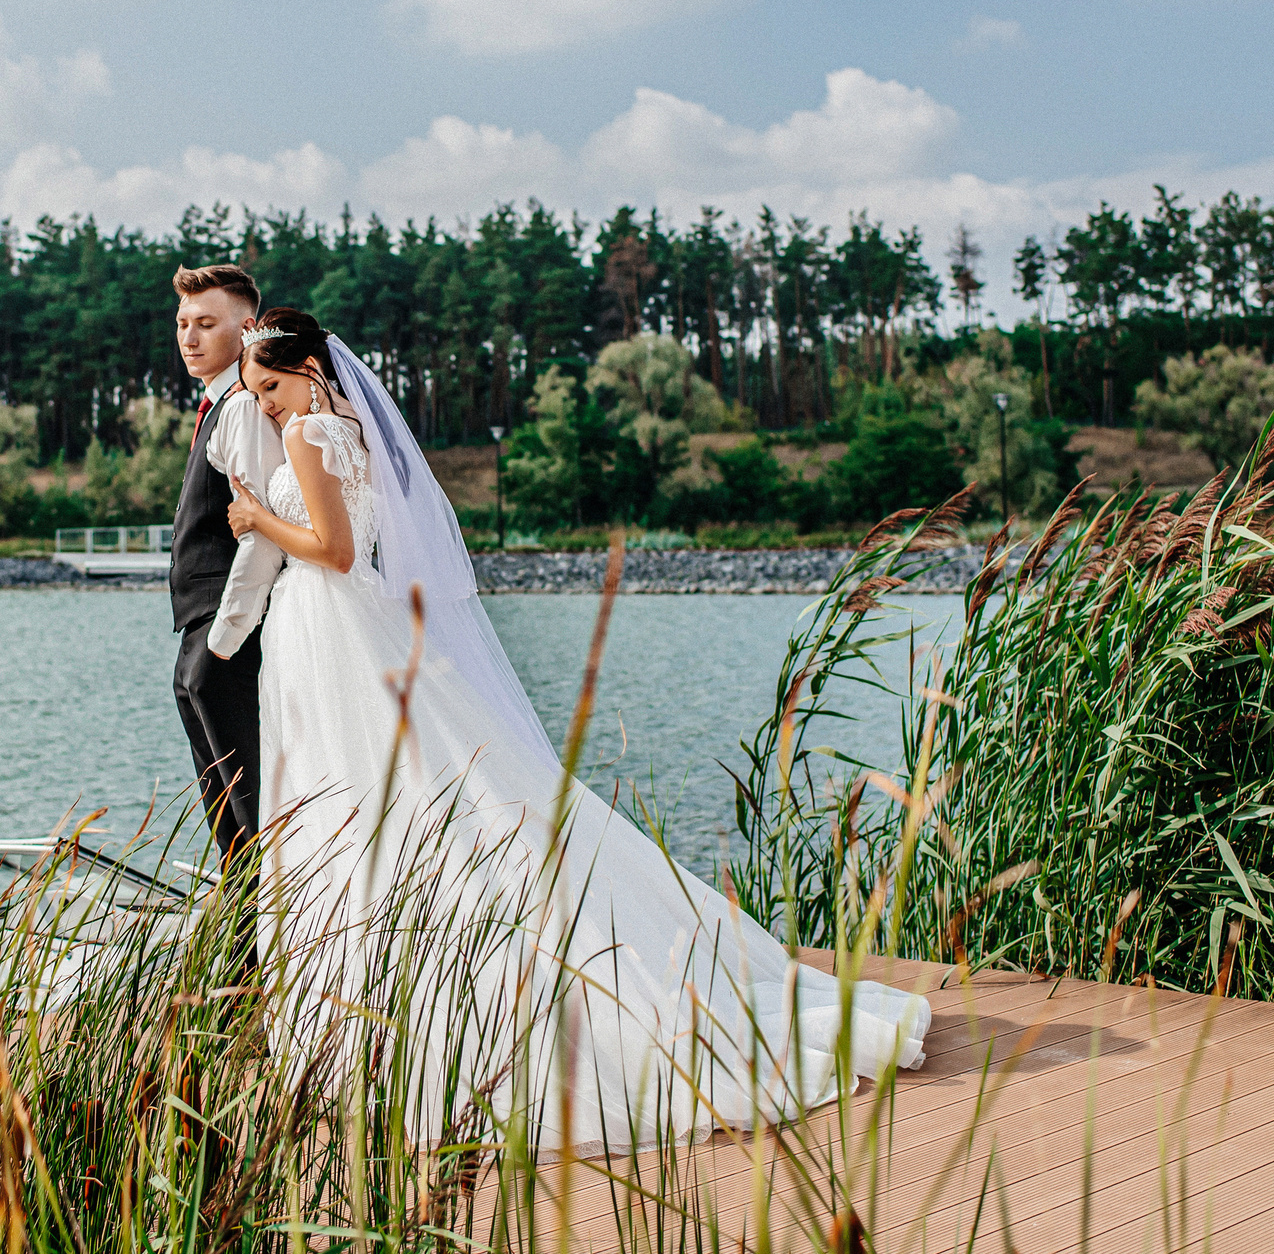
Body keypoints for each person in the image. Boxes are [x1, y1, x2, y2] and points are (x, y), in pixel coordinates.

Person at [223, 306, 932, 1148]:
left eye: (269, 385)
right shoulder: (352, 429)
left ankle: (369, 1020)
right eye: (256, 394)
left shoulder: (308, 431)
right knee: (408, 790)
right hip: (354, 626)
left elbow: (334, 550)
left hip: (331, 620)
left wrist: (257, 520)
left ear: (308, 368)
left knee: (354, 792)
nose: (265, 404)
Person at [165, 264, 285, 916]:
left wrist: (221, 642)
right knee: (229, 832)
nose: (189, 337)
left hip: (225, 636)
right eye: (183, 323)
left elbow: (263, 531)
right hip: (200, 634)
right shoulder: (218, 406)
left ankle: (262, 952)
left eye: (206, 323)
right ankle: (238, 957)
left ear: (247, 329)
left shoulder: (240, 408)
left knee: (250, 819)